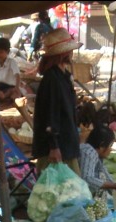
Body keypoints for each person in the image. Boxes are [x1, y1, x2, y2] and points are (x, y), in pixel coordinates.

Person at [32, 28, 82, 175]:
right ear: (64, 54)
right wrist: (54, 147)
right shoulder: (52, 79)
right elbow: (50, 114)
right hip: (56, 148)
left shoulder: (63, 75)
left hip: (66, 144)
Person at [79, 125, 116, 195]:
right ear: (102, 145)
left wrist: (114, 186)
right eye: (110, 146)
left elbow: (104, 171)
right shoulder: (89, 152)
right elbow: (87, 179)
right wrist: (113, 186)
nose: (111, 149)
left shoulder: (97, 155)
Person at [0, 37, 24, 102]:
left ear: (8, 52)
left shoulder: (11, 62)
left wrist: (17, 87)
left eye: (1, 52)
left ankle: (5, 96)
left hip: (10, 86)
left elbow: (17, 75)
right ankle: (3, 96)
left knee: (14, 93)